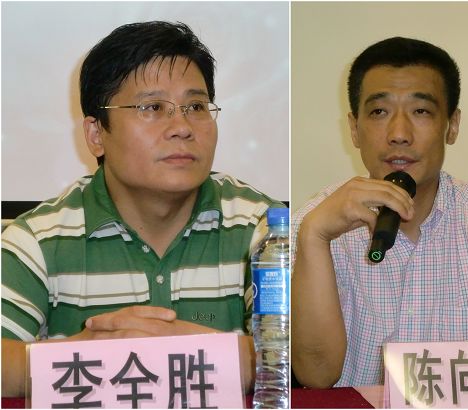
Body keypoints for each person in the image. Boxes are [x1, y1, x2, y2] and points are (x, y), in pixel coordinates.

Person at [291, 37, 468, 407]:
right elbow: (316, 376)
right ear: (354, 128)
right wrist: (314, 237)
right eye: (379, 112)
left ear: (452, 125)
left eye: (421, 111)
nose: (399, 134)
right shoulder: (314, 220)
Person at [1, 21, 284, 397]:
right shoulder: (37, 239)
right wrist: (88, 357)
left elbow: (302, 359)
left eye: (196, 106)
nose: (181, 127)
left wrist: (188, 353)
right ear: (96, 134)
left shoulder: (261, 225)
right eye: (152, 107)